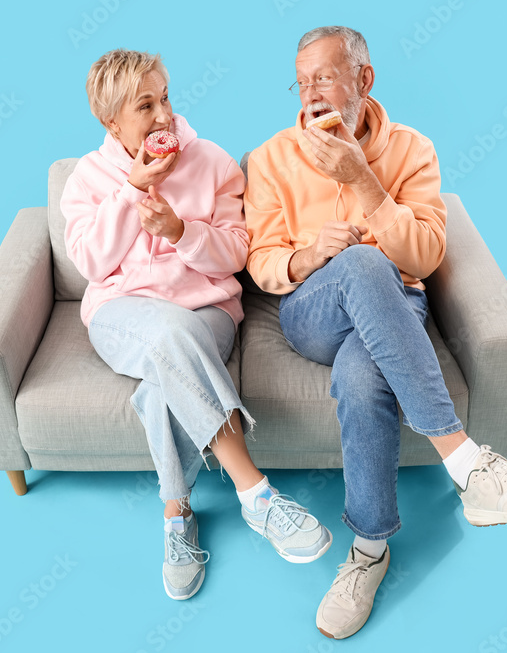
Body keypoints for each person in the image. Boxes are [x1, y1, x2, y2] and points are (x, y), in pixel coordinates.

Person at [243, 27, 507, 639]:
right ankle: (470, 466)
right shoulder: (270, 158)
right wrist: (311, 254)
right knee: (360, 262)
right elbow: (262, 262)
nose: (310, 92)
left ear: (363, 79)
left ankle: (368, 551)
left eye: (325, 77)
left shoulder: (412, 149)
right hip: (310, 310)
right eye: (302, 80)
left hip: (396, 304)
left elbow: (423, 257)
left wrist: (363, 180)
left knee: (362, 374)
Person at [61, 49, 331, 601]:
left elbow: (236, 254)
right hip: (122, 314)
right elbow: (91, 263)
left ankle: (176, 513)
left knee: (165, 372)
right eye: (145, 106)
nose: (164, 115)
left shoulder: (212, 162)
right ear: (111, 122)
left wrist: (181, 232)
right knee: (167, 336)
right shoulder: (86, 178)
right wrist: (131, 190)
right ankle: (255, 494)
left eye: (165, 98)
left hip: (207, 312)